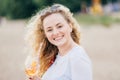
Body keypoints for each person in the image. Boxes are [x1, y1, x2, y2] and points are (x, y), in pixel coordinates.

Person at [25, 4, 92, 80]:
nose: (55, 32)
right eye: (49, 30)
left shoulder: (77, 57)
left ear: (70, 26)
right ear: (45, 35)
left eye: (59, 26)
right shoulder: (57, 56)